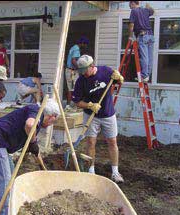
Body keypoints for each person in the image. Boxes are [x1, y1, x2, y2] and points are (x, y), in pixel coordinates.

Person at [0, 98, 60, 215]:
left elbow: (29, 128)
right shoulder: (37, 111)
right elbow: (29, 125)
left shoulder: (36, 113)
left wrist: (33, 145)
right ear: (52, 116)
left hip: (1, 144)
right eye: (54, 121)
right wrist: (33, 142)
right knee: (4, 183)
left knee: (11, 177)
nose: (52, 124)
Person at [72, 55, 125, 183]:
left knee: (112, 142)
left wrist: (120, 78)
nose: (83, 74)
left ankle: (115, 172)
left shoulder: (105, 71)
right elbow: (77, 102)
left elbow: (119, 81)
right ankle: (91, 172)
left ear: (92, 66)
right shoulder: (81, 81)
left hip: (108, 114)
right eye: (81, 71)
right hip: (91, 116)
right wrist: (90, 105)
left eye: (85, 70)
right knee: (91, 142)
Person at [128, 1, 155, 83]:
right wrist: (149, 6)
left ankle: (144, 75)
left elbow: (131, 25)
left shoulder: (134, 11)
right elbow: (152, 12)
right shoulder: (145, 10)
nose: (130, 7)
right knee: (150, 57)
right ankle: (147, 75)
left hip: (142, 35)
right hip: (150, 35)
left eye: (130, 5)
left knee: (144, 57)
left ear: (133, 3)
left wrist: (130, 36)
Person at [65, 36, 89, 107]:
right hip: (72, 72)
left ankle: (69, 105)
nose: (85, 46)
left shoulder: (73, 47)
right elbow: (73, 61)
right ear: (82, 43)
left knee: (71, 88)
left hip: (69, 70)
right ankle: (71, 106)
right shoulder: (76, 49)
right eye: (85, 44)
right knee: (74, 88)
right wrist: (80, 69)